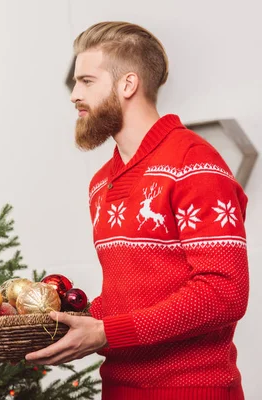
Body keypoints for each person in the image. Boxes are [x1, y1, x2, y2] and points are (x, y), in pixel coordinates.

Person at [26, 21, 249, 400]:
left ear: (128, 84)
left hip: (194, 390)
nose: (75, 95)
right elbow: (132, 298)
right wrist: (62, 325)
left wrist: (107, 332)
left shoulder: (195, 164)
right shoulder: (101, 181)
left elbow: (225, 292)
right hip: (119, 388)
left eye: (87, 81)